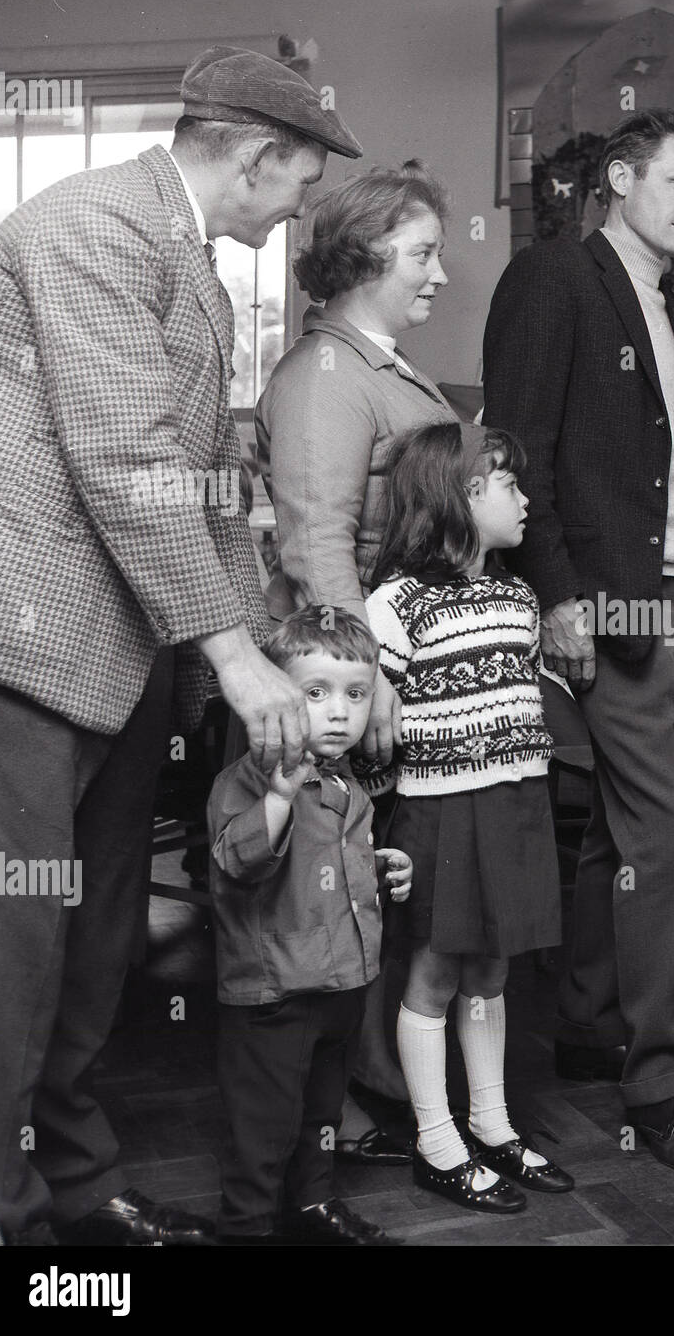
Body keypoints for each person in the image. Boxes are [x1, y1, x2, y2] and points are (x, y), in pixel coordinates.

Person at [0, 44, 361, 1246]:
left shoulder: (176, 241)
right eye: (303, 175)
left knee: (93, 939)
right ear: (256, 154)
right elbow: (129, 461)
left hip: (127, 643)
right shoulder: (92, 223)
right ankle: (3, 1207)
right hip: (25, 645)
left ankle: (74, 1186)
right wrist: (234, 657)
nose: (306, 202)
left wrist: (238, 643)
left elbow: (205, 483)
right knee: (14, 944)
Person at [483, 110, 674, 1182]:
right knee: (671, 828)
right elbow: (516, 450)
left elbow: (671, 454)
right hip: (616, 603)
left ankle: (592, 1021)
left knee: (623, 824)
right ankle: (660, 1084)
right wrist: (557, 596)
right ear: (620, 178)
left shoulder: (667, 294)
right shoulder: (553, 277)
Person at [255, 164, 458, 1164]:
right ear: (369, 253)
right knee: (337, 894)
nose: (440, 273)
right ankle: (340, 1110)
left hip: (390, 662)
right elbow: (316, 543)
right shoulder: (323, 378)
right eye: (423, 252)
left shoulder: (372, 364)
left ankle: (372, 1089)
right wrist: (366, 677)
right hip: (341, 676)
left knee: (377, 884)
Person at [365, 421, 573, 1212]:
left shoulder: (519, 596)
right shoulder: (396, 604)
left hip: (516, 806)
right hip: (441, 814)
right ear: (460, 496)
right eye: (509, 485)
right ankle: (437, 1140)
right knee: (436, 971)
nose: (525, 500)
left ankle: (493, 1124)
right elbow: (369, 726)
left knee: (493, 966)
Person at [207, 606, 412, 1245]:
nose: (340, 712)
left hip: (343, 984)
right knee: (264, 1123)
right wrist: (277, 798)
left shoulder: (348, 784)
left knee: (323, 1110)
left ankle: (313, 1205)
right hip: (276, 996)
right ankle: (245, 1228)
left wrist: (380, 868)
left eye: (356, 694)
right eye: (315, 693)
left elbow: (331, 868)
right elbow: (242, 860)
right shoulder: (244, 781)